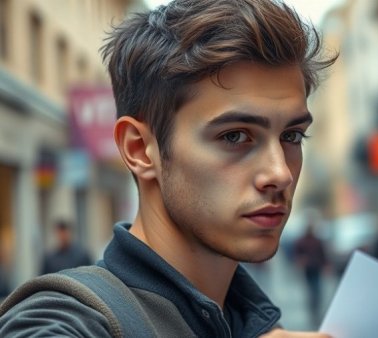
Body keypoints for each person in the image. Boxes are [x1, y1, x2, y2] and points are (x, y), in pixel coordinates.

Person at [0, 0, 336, 337]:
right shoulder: (70, 318)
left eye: (291, 135)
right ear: (139, 149)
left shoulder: (244, 321)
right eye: (235, 136)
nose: (280, 174)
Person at [293, 219, 329, 328]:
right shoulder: (302, 241)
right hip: (309, 269)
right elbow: (297, 254)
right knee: (313, 289)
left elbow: (323, 254)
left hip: (315, 267)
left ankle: (315, 308)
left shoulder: (317, 241)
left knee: (316, 289)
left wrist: (326, 265)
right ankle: (314, 309)